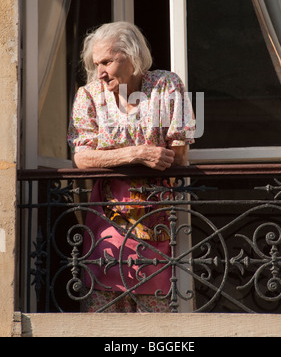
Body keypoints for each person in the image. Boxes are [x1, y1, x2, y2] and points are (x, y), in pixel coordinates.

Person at [67, 21, 195, 312]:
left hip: (157, 215)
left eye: (107, 62)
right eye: (96, 63)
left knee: (154, 309)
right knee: (105, 302)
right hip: (107, 215)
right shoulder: (88, 96)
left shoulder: (166, 86)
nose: (100, 72)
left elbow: (179, 155)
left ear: (132, 56)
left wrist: (150, 154)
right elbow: (82, 157)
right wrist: (136, 153)